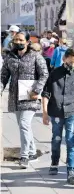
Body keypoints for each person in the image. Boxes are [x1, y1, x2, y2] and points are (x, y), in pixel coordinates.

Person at [0, 31, 49, 169]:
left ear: (28, 42)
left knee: (24, 124)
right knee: (24, 126)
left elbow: (44, 74)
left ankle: (25, 156)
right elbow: (3, 76)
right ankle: (33, 152)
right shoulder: (10, 57)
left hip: (30, 96)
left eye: (21, 40)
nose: (18, 42)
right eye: (16, 40)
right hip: (15, 96)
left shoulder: (35, 56)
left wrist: (36, 90)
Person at [42, 48, 74, 185]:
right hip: (56, 112)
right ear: (64, 59)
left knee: (71, 141)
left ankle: (71, 171)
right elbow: (46, 94)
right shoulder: (54, 73)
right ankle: (54, 162)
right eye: (71, 62)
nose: (73, 65)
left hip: (71, 112)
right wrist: (45, 113)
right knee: (57, 139)